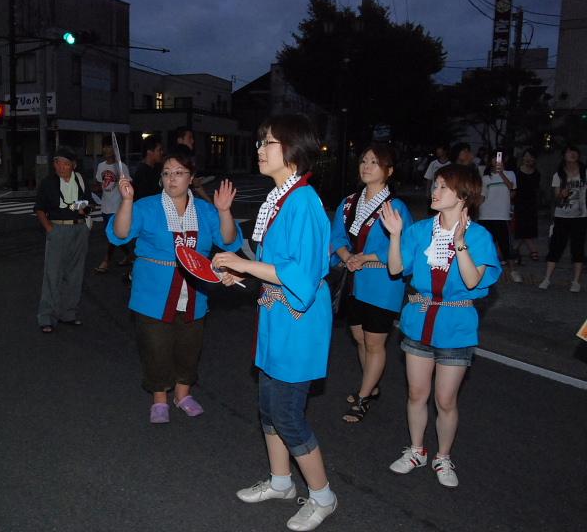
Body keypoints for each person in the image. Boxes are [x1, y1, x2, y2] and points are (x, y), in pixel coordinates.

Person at [212, 114, 337, 531]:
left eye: (268, 142)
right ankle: (282, 482)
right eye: (261, 142)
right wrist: (244, 273)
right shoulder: (282, 197)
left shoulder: (303, 201)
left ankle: (323, 496)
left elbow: (300, 273)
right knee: (268, 408)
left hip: (297, 320)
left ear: (293, 149)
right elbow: (276, 265)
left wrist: (243, 263)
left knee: (286, 413)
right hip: (277, 314)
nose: (260, 149)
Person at [380, 164, 502, 488]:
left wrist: (459, 242)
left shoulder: (479, 236)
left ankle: (443, 456)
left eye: (443, 187)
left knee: (446, 399)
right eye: (435, 185)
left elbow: (474, 279)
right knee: (417, 393)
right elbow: (395, 268)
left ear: (464, 195)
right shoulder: (419, 230)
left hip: (456, 324)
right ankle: (417, 449)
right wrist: (394, 235)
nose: (435, 191)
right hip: (419, 319)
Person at [108, 152, 241, 423]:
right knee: (155, 346)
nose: (172, 178)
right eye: (167, 173)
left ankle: (183, 394)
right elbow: (121, 234)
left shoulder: (205, 210)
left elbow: (228, 240)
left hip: (195, 291)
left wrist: (225, 211)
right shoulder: (146, 206)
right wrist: (127, 201)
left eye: (179, 172)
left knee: (189, 346)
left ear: (191, 178)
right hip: (153, 291)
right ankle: (159, 399)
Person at [330, 144, 413, 423]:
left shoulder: (396, 207)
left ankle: (363, 398)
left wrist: (364, 258)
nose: (366, 166)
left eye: (374, 163)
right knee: (359, 338)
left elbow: (404, 247)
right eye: (364, 161)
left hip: (383, 284)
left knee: (376, 342)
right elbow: (337, 236)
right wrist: (346, 255)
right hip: (355, 281)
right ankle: (371, 384)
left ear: (388, 171)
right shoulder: (349, 202)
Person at [35, 146, 90, 332]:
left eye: (65, 163)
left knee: (75, 273)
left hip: (79, 229)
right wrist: (49, 228)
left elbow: (90, 203)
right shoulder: (48, 183)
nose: (60, 167)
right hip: (58, 228)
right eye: (57, 162)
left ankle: (68, 313)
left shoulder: (81, 180)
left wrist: (85, 210)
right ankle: (46, 317)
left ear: (73, 165)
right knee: (53, 273)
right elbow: (39, 208)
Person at [539, 144, 586, 292]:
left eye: (574, 151)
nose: (572, 154)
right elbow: (557, 198)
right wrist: (561, 195)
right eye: (569, 152)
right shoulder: (558, 175)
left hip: (581, 216)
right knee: (555, 247)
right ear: (564, 156)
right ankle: (546, 279)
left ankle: (576, 282)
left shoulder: (585, 172)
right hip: (561, 216)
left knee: (577, 248)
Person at [480, 149, 522, 283]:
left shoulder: (510, 174)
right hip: (485, 215)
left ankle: (513, 271)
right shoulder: (485, 177)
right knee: (485, 246)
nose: (496, 161)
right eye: (494, 158)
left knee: (507, 246)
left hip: (502, 215)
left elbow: (511, 188)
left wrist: (501, 173)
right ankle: (482, 273)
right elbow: (482, 197)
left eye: (499, 159)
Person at [93, 137, 132, 274]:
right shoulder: (101, 166)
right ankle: (130, 255)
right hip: (105, 206)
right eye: (104, 147)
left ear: (115, 150)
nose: (106, 149)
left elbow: (129, 186)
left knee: (112, 236)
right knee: (114, 235)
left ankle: (106, 261)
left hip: (118, 208)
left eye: (109, 146)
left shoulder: (122, 167)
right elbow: (99, 184)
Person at [514, 149, 541, 262]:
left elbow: (536, 189)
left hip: (531, 204)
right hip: (519, 203)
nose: (528, 158)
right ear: (523, 158)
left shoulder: (537, 173)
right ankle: (532, 249)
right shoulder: (516, 172)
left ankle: (514, 250)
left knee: (528, 228)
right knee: (521, 227)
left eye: (531, 156)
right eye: (526, 156)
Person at [133, 135, 164, 200]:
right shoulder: (141, 172)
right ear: (149, 152)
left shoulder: (159, 167)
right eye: (159, 150)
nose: (162, 153)